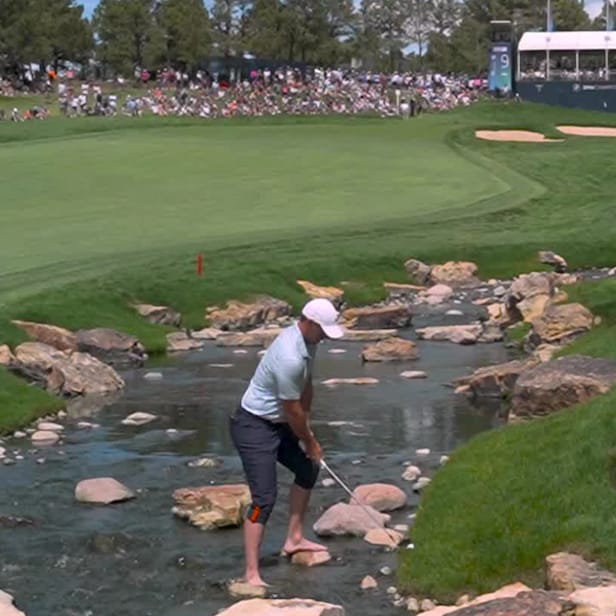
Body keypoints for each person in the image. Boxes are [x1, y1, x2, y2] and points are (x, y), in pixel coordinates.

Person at [229, 298, 345, 587]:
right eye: (324, 331)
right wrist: (309, 439)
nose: (326, 338)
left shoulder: (310, 342)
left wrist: (308, 433)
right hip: (252, 426)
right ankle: (251, 573)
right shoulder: (290, 355)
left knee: (308, 468)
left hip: (279, 422)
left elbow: (306, 388)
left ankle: (294, 539)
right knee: (263, 499)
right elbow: (291, 407)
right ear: (310, 322)